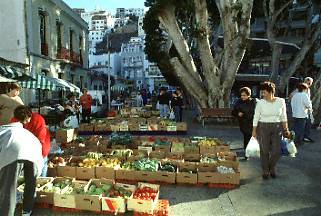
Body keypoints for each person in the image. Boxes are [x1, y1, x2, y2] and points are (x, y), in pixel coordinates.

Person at [0, 116, 43, 216]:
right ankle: (27, 211)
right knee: (30, 183)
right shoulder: (25, 133)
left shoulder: (3, 132)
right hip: (33, 153)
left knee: (8, 187)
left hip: (14, 153)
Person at [252, 81, 290, 180]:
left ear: (270, 92)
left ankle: (271, 167)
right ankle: (265, 170)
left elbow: (283, 116)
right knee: (264, 150)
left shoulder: (281, 101)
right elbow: (256, 117)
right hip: (263, 127)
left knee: (277, 151)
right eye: (262, 92)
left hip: (277, 127)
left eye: (264, 92)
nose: (262, 94)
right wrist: (254, 130)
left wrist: (286, 129)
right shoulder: (260, 103)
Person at [11, 106, 50, 177]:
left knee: (40, 170)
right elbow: (13, 135)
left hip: (40, 148)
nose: (25, 123)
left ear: (30, 116)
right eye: (21, 121)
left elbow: (40, 140)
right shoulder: (14, 120)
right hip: (23, 150)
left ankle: (43, 179)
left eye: (26, 120)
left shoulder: (38, 120)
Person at [232, 87, 256, 159]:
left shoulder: (252, 102)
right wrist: (237, 114)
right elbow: (233, 111)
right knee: (246, 138)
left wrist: (244, 114)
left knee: (248, 138)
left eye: (244, 95)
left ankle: (247, 154)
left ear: (248, 95)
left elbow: (253, 112)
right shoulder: (239, 101)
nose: (242, 97)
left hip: (251, 123)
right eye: (242, 95)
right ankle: (247, 152)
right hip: (243, 123)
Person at [290, 77, 314, 142]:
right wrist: (309, 107)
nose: (309, 84)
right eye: (308, 82)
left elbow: (292, 102)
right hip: (303, 113)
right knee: (300, 128)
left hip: (296, 113)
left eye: (310, 83)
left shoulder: (296, 95)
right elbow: (307, 104)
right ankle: (298, 140)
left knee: (295, 127)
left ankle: (293, 139)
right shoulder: (303, 94)